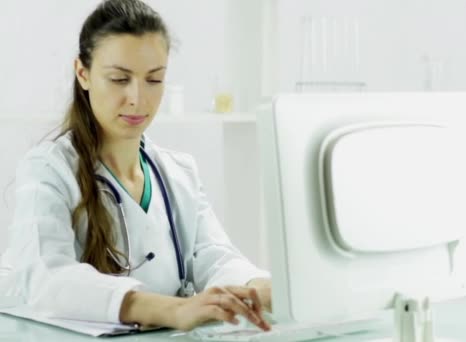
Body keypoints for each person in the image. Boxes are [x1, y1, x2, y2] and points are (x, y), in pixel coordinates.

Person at [0, 0, 271, 332]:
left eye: (154, 80)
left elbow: (216, 257)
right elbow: (48, 277)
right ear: (82, 74)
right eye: (118, 79)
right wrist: (173, 310)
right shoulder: (48, 169)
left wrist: (257, 287)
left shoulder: (177, 173)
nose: (138, 98)